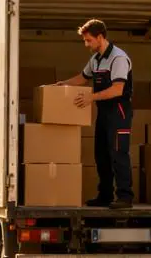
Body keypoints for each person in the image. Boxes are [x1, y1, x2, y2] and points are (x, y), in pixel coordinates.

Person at [55, 19, 134, 209]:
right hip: (104, 111)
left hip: (119, 111)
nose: (86, 44)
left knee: (118, 153)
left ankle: (125, 197)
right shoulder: (96, 59)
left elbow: (117, 89)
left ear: (100, 37)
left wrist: (91, 97)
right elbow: (83, 78)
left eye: (88, 40)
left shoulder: (118, 58)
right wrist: (63, 85)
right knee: (101, 154)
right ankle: (105, 195)